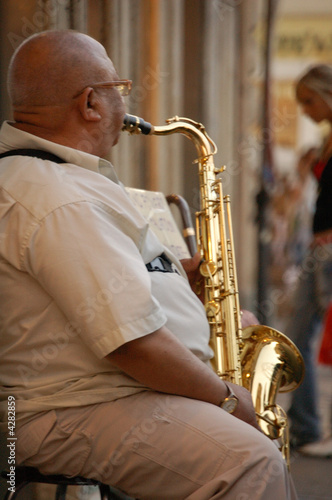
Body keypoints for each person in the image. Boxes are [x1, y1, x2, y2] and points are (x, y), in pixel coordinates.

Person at [0, 30, 298, 499]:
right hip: (73, 407)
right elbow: (131, 344)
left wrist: (176, 283)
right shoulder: (58, 198)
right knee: (250, 461)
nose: (127, 104)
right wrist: (225, 398)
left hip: (97, 393)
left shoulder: (57, 179)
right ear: (90, 104)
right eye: (120, 89)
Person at [285, 64, 332, 457]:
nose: (304, 109)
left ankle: (313, 427)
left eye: (308, 100)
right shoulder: (325, 142)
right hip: (320, 248)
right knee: (297, 334)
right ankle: (306, 427)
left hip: (329, 247)